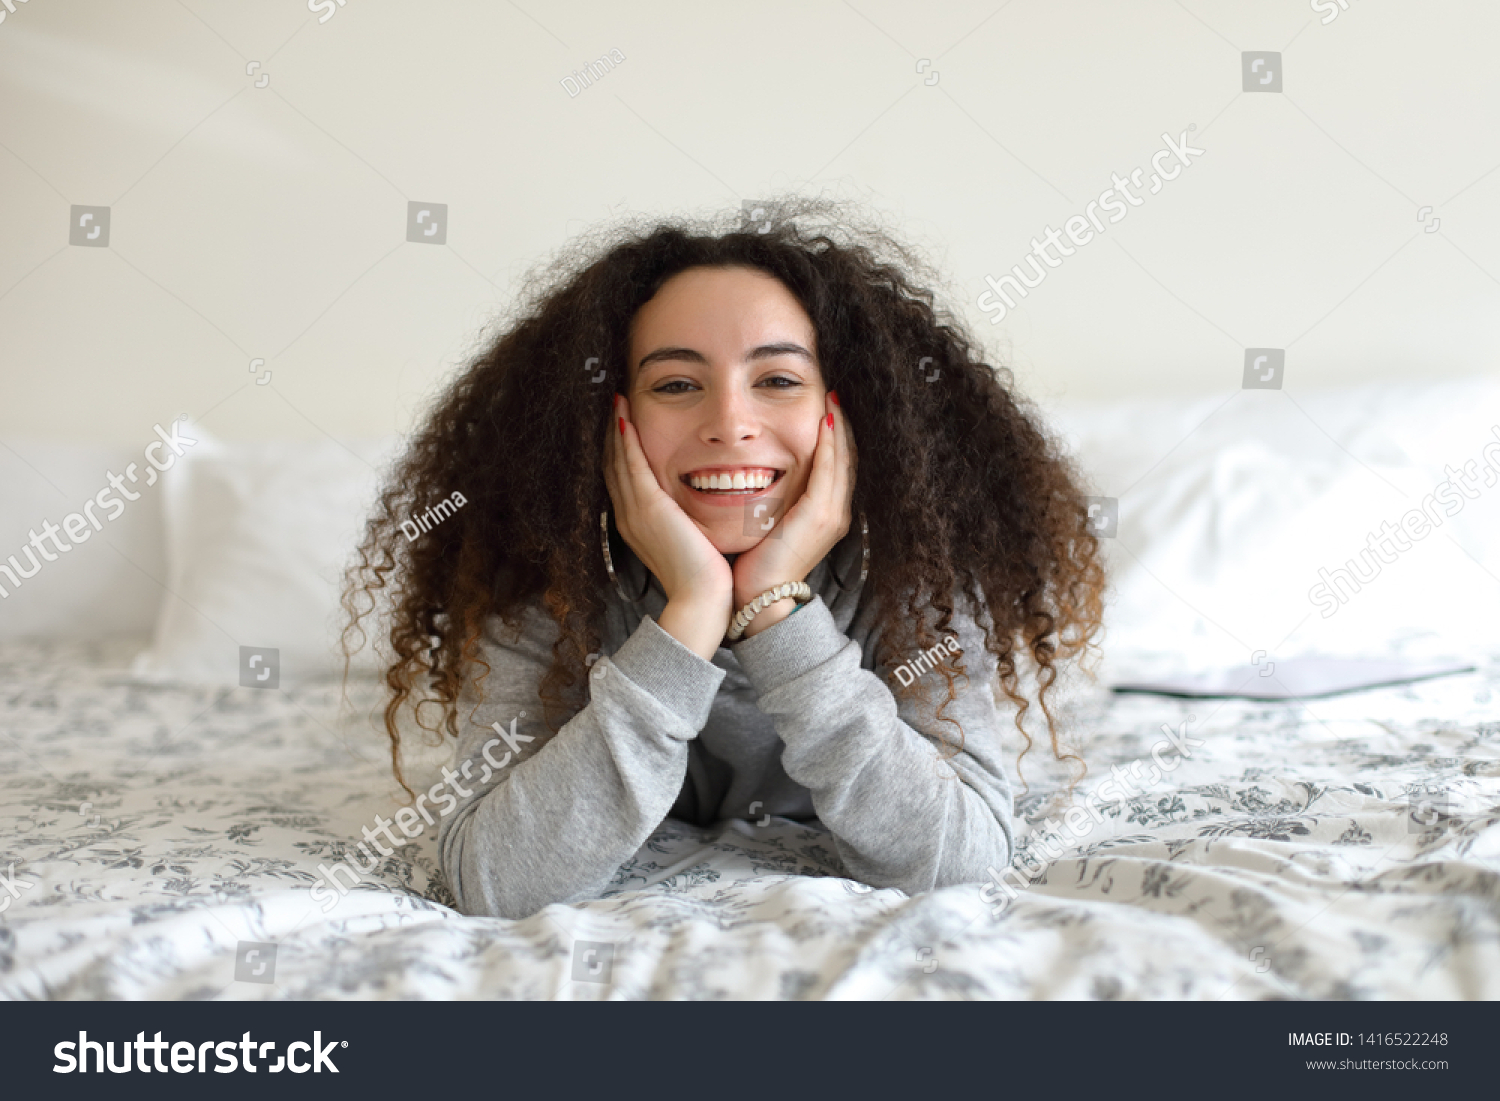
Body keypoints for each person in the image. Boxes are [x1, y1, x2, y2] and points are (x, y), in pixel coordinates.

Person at [342, 199, 1106, 920]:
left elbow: (959, 862)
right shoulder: (546, 585)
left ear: (847, 414)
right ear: (609, 421)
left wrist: (775, 606)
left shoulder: (918, 584)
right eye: (677, 384)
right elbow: (492, 879)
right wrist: (692, 612)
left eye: (778, 380)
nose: (730, 422)